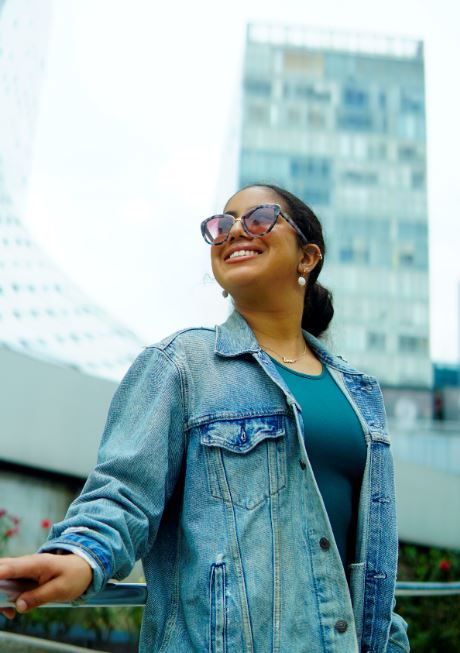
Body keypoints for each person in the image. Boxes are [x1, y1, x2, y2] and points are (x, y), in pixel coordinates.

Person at [0, 184, 410, 652]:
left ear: (307, 257)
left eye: (258, 218)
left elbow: (370, 564)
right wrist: (80, 556)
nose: (235, 229)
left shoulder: (357, 393)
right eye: (222, 224)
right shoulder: (181, 364)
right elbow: (124, 492)